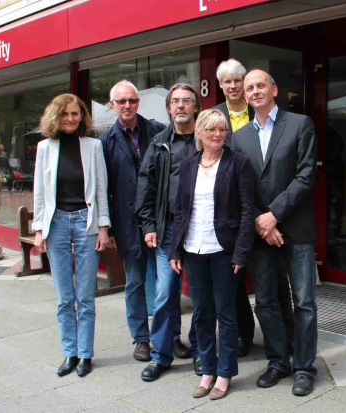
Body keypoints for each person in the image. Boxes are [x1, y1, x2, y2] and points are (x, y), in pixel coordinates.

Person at [231, 69, 319, 397]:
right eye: (249, 87)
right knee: (265, 300)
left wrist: (274, 215)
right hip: (259, 232)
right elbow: (241, 186)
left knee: (305, 300)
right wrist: (260, 220)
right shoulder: (239, 136)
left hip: (295, 228)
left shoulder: (300, 124)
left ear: (274, 89)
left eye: (260, 85)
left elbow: (306, 176)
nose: (254, 91)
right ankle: (278, 360)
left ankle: (304, 367)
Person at [169, 109, 255, 400]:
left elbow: (246, 211)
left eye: (222, 130)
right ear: (200, 133)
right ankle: (207, 369)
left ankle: (224, 373)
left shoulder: (238, 163)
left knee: (226, 313)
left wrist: (241, 253)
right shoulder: (188, 164)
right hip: (193, 250)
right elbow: (180, 210)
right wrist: (175, 249)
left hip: (223, 251)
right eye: (212, 130)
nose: (218, 134)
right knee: (201, 314)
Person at [213, 59, 295, 358]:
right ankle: (243, 337)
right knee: (234, 282)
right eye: (228, 82)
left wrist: (267, 217)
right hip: (231, 215)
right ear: (221, 86)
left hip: (263, 212)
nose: (235, 87)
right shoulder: (213, 116)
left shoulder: (261, 112)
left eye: (240, 81)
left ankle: (287, 339)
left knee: (275, 282)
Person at [32, 93, 111, 378]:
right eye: (65, 114)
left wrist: (103, 227)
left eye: (75, 113)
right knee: (65, 297)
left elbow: (101, 189)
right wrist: (39, 230)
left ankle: (86, 354)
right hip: (56, 224)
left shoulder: (93, 146)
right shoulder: (45, 148)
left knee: (85, 295)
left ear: (82, 117)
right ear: (56, 115)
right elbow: (39, 193)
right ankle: (70, 352)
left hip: (85, 223)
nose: (70, 118)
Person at [136, 83, 200, 381]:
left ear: (195, 107)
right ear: (168, 108)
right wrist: (148, 225)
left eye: (187, 100)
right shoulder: (159, 144)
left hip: (201, 229)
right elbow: (145, 187)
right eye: (175, 101)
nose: (181, 106)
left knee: (201, 295)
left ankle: (201, 352)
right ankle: (161, 356)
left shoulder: (206, 140)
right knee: (164, 294)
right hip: (168, 229)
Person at [99, 80, 166, 362]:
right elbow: (102, 187)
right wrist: (109, 228)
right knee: (135, 283)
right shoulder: (105, 141)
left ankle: (168, 336)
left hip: (159, 219)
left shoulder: (159, 131)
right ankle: (141, 338)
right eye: (122, 101)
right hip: (127, 223)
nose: (128, 106)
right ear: (112, 105)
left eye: (133, 101)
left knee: (167, 282)